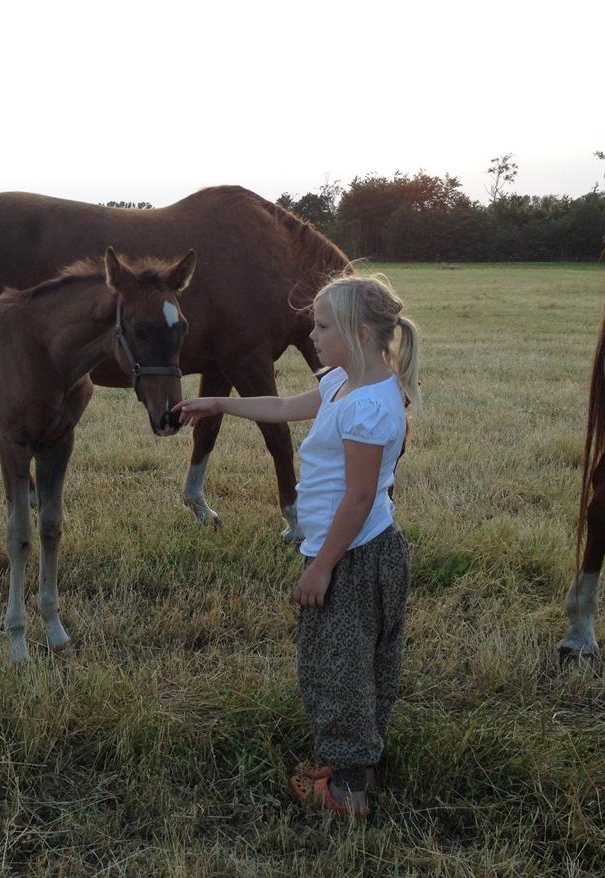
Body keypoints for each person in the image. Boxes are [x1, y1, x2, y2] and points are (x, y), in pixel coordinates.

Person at [172, 271, 421, 819]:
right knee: (363, 665)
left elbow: (357, 499)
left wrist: (321, 568)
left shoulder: (369, 407)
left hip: (352, 554)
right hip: (364, 550)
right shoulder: (342, 382)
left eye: (323, 326)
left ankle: (346, 791)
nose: (312, 335)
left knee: (336, 669)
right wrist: (217, 403)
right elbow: (285, 407)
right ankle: (361, 762)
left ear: (356, 332)